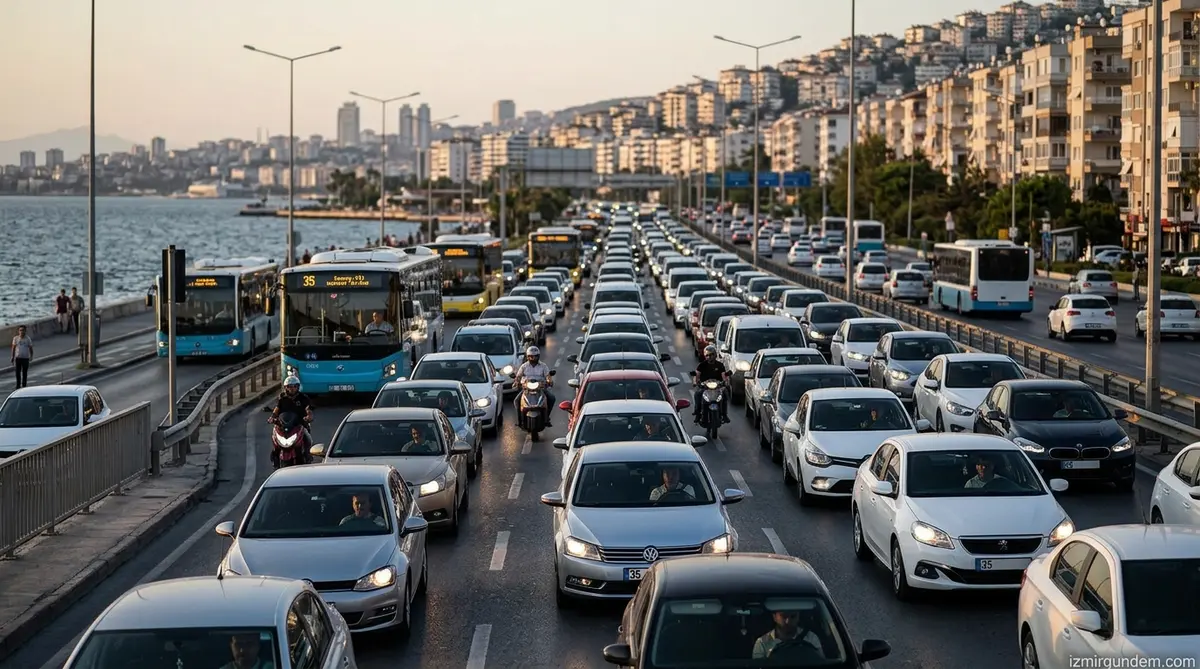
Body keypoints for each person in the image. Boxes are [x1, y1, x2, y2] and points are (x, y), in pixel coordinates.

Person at [270, 376, 314, 465]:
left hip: (299, 425)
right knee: (274, 438)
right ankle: (275, 456)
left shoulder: (303, 397)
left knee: (308, 440)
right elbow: (277, 408)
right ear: (286, 387)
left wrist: (308, 416)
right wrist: (272, 417)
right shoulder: (282, 397)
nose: (292, 389)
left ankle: (308, 455)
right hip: (283, 425)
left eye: (294, 386)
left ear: (298, 387)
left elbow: (308, 409)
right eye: (289, 386)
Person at [751, 610, 823, 659]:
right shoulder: (762, 643)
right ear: (774, 617)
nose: (788, 621)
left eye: (793, 616)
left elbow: (820, 663)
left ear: (798, 617)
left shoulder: (811, 638)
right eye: (784, 616)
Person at [514, 345, 555, 426]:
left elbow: (548, 376)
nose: (533, 358)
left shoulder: (543, 366)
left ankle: (546, 418)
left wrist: (549, 381)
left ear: (538, 356)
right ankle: (520, 420)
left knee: (551, 398)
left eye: (535, 356)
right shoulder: (524, 366)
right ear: (527, 357)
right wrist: (516, 382)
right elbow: (518, 376)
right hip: (526, 389)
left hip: (541, 388)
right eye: (531, 356)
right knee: (516, 401)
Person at [691, 345, 729, 424]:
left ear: (715, 355)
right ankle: (697, 413)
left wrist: (725, 381)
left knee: (725, 393)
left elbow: (723, 375)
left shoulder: (720, 365)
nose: (709, 357)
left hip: (718, 387)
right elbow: (697, 375)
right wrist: (696, 382)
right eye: (707, 355)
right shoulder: (702, 365)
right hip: (705, 387)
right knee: (698, 394)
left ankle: (724, 414)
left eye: (711, 355)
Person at [10, 325, 33, 389]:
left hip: (25, 358)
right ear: (18, 331)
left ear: (25, 331)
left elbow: (30, 348)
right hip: (18, 358)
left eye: (23, 330)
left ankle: (24, 385)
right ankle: (18, 385)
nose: (22, 332)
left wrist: (31, 356)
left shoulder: (28, 339)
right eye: (20, 330)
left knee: (24, 372)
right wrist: (12, 356)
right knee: (17, 372)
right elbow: (13, 348)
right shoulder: (16, 338)